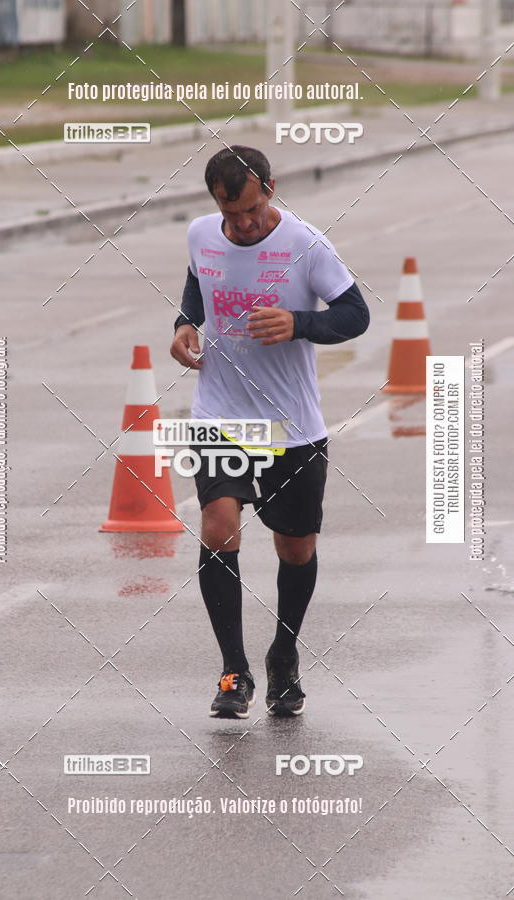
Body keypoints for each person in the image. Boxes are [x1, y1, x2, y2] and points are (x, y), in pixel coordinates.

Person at [170, 145, 369, 719]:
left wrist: (300, 323)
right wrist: (185, 324)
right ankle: (234, 672)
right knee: (218, 524)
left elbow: (356, 314)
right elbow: (196, 284)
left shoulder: (306, 245)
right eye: (230, 214)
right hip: (221, 415)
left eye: (251, 210)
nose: (242, 224)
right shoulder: (202, 233)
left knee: (296, 547)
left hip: (292, 427)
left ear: (271, 190)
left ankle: (284, 655)